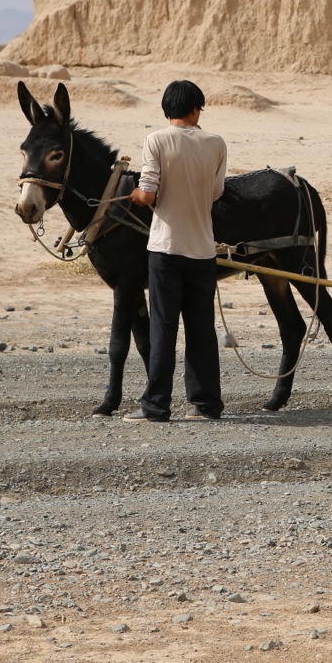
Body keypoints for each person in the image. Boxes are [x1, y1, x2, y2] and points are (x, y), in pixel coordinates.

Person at [124, 80, 228, 422]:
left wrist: (137, 196)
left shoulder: (156, 140)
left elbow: (149, 194)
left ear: (167, 109)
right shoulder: (216, 143)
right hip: (202, 251)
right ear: (196, 109)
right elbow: (215, 193)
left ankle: (156, 406)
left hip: (166, 251)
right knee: (201, 330)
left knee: (163, 329)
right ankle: (207, 405)